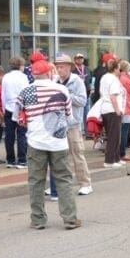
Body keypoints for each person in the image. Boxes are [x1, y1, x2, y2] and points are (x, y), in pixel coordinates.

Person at [15, 59, 81, 230]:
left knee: (36, 181)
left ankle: (37, 220)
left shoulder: (25, 91)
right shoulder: (62, 89)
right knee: (64, 179)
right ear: (49, 73)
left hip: (36, 142)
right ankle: (70, 218)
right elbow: (68, 116)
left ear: (33, 74)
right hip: (59, 143)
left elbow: (17, 117)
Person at [54, 54, 93, 195]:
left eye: (62, 66)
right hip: (57, 124)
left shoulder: (76, 81)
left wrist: (65, 95)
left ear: (69, 67)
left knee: (77, 154)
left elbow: (83, 101)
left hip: (72, 124)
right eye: (57, 66)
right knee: (58, 156)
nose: (59, 69)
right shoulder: (54, 80)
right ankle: (57, 185)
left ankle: (85, 183)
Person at [1, 56, 29, 169]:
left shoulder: (6, 77)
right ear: (21, 66)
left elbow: (3, 94)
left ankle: (10, 160)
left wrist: (4, 109)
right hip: (21, 108)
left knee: (9, 135)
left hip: (8, 107)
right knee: (22, 134)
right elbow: (26, 93)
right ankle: (22, 160)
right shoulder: (24, 77)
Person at [97, 57, 125, 167]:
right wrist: (118, 110)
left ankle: (116, 158)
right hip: (112, 110)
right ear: (116, 68)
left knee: (113, 135)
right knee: (114, 136)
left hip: (106, 109)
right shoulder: (113, 79)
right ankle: (109, 161)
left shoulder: (105, 77)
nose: (120, 71)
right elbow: (113, 96)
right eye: (119, 68)